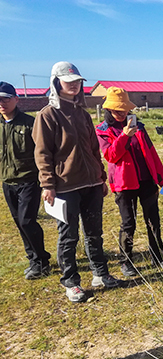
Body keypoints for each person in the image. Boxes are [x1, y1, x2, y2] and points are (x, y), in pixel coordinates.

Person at [33, 61, 121, 303]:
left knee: (94, 233)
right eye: (67, 80)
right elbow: (42, 153)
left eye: (77, 81)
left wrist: (100, 178)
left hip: (91, 184)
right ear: (56, 82)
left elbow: (94, 149)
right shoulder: (47, 115)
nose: (73, 85)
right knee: (68, 236)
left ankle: (100, 274)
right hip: (65, 187)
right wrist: (47, 184)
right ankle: (71, 282)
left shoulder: (82, 114)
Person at [95, 87, 163, 277]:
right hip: (123, 184)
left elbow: (152, 154)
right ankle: (126, 262)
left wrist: (162, 179)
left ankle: (158, 257)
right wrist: (125, 136)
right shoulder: (102, 131)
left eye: (125, 110)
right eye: (117, 111)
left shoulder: (140, 127)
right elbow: (111, 156)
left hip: (146, 181)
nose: (122, 114)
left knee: (153, 221)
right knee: (128, 223)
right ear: (108, 110)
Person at [0, 81, 51, 280]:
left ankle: (41, 261)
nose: (2, 103)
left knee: (27, 220)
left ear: (16, 99)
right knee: (19, 222)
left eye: (6, 98)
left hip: (29, 180)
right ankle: (33, 258)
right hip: (8, 181)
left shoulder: (30, 123)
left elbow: (43, 151)